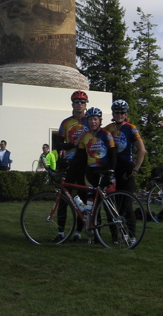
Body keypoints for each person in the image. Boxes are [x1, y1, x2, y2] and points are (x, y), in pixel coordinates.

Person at [52, 90, 90, 243]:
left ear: (86, 105)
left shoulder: (91, 121)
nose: (79, 104)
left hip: (86, 163)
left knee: (83, 197)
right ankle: (61, 231)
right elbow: (58, 144)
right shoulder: (66, 123)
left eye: (82, 102)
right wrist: (73, 144)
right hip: (70, 163)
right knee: (63, 198)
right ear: (72, 104)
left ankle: (79, 232)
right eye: (77, 102)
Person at [103, 99, 146, 195]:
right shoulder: (109, 128)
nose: (119, 115)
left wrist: (135, 169)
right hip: (113, 166)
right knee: (116, 201)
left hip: (127, 166)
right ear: (113, 114)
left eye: (122, 113)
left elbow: (142, 150)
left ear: (126, 115)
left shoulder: (131, 128)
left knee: (126, 202)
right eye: (117, 112)